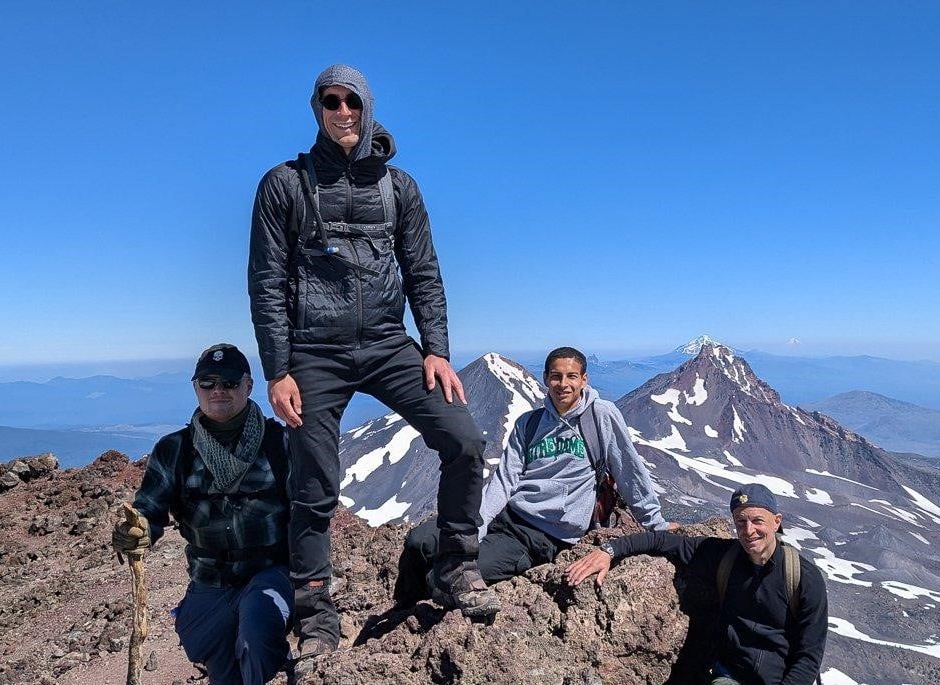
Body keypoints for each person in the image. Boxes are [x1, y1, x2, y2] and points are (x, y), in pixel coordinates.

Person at [248, 64, 497, 653]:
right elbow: (267, 281)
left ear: (368, 107)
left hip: (388, 343)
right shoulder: (284, 184)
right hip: (313, 350)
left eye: (352, 101)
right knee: (313, 481)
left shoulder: (400, 188)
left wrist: (435, 348)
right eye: (331, 101)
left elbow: (424, 271)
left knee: (463, 440)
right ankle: (315, 617)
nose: (342, 111)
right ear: (317, 108)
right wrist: (277, 369)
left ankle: (455, 565)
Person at [394, 346, 671, 605]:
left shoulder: (600, 416)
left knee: (443, 578)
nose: (564, 384)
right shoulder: (529, 423)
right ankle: (401, 610)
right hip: (507, 517)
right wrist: (475, 527)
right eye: (556, 377)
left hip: (540, 538)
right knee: (419, 541)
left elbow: (629, 471)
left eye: (572, 376)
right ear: (546, 379)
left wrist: (655, 524)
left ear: (584, 379)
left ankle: (420, 617)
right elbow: (504, 480)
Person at [112, 344, 292, 685]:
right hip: (211, 581)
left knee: (258, 631)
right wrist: (139, 531)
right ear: (196, 388)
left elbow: (308, 512)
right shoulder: (175, 449)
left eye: (228, 382)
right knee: (221, 665)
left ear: (248, 386)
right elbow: (150, 508)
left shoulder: (278, 443)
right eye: (207, 383)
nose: (218, 390)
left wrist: (313, 584)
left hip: (271, 572)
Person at [566, 483, 828, 685]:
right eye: (740, 521)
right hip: (730, 677)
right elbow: (661, 542)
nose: (748, 530)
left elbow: (809, 656)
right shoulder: (723, 556)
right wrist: (608, 550)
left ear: (776, 521)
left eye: (757, 520)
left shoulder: (803, 577)